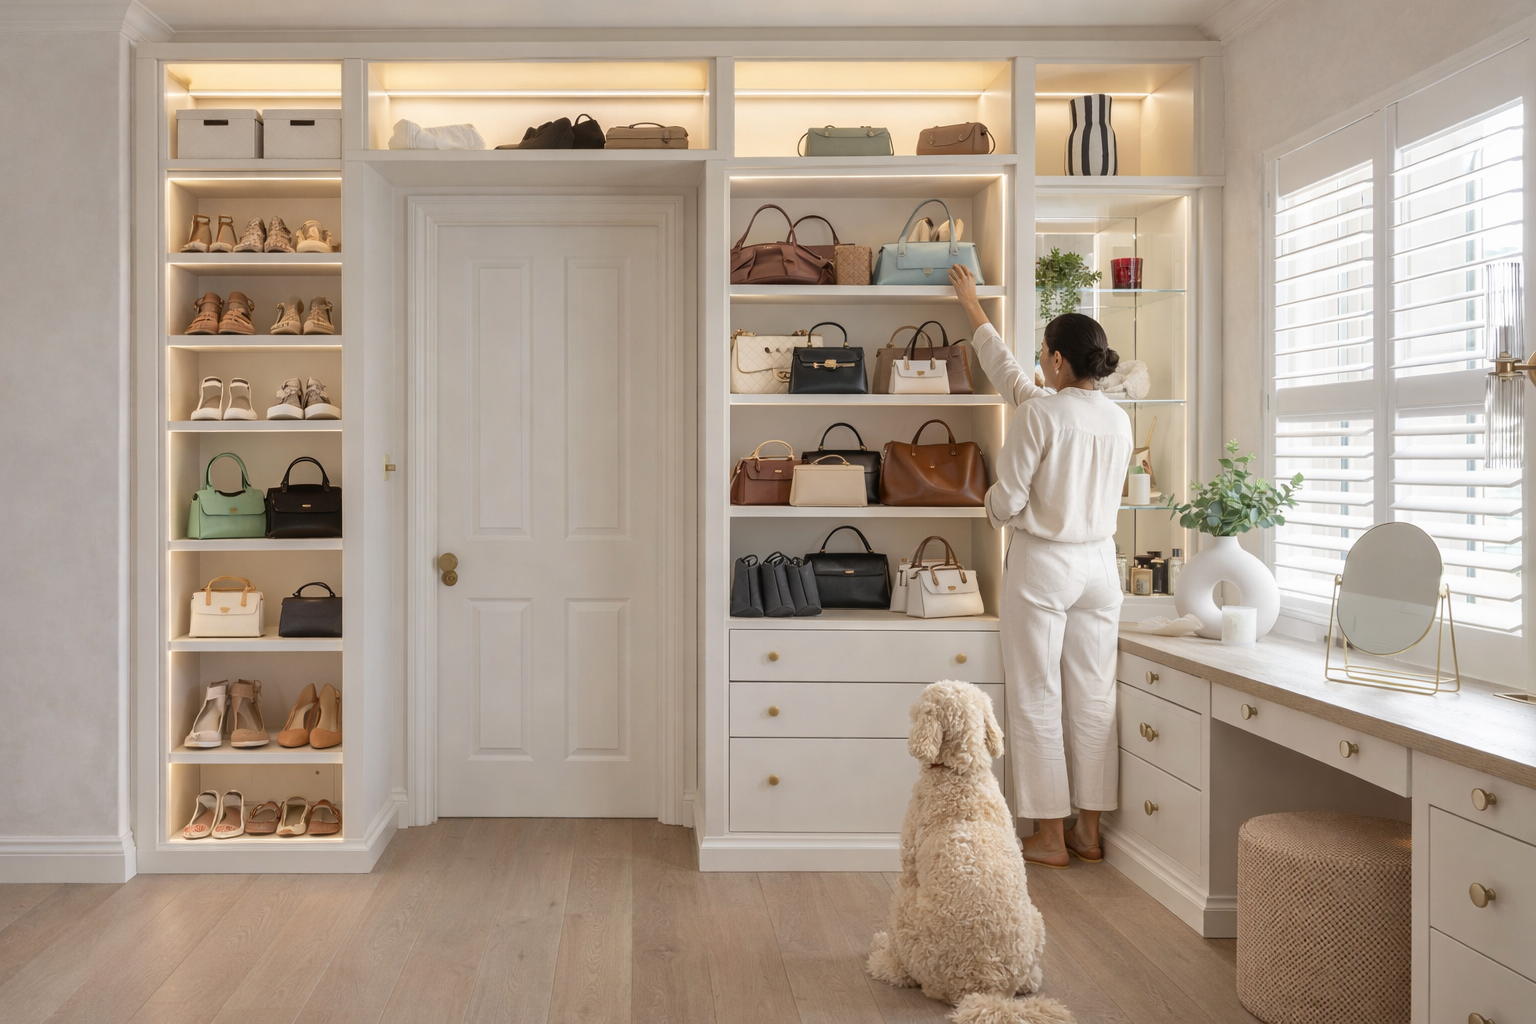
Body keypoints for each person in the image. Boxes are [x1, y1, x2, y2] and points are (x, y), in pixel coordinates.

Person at [949, 263, 1133, 868]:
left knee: (1035, 693)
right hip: (1102, 567)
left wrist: (988, 504)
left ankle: (1048, 836)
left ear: (1055, 360)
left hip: (1045, 564)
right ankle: (1088, 830)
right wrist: (975, 309)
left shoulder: (1041, 416)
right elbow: (1012, 378)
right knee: (1093, 694)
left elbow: (1010, 498)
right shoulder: (1114, 417)